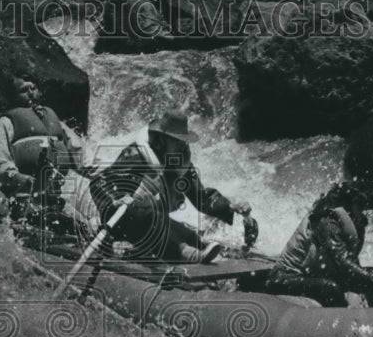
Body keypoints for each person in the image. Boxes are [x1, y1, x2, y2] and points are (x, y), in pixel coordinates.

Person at [84, 110, 252, 264]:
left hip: (156, 219)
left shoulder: (179, 162)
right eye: (177, 141)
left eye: (183, 142)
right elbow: (99, 181)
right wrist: (115, 200)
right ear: (162, 139)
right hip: (123, 220)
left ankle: (196, 247)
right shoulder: (136, 155)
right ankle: (185, 253)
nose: (182, 146)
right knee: (151, 220)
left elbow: (201, 197)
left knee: (191, 237)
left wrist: (229, 205)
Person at [266, 182, 373, 307]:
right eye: (362, 206)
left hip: (317, 273)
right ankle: (344, 325)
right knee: (330, 288)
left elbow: (351, 261)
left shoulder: (355, 221)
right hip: (286, 277)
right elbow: (342, 262)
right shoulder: (326, 219)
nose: (367, 212)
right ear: (349, 205)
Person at [0, 74, 84, 226]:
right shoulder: (6, 123)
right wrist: (15, 176)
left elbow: (80, 155)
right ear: (13, 97)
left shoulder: (55, 122)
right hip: (23, 200)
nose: (31, 93)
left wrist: (105, 172)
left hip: (53, 199)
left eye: (34, 88)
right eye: (24, 90)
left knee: (84, 226)